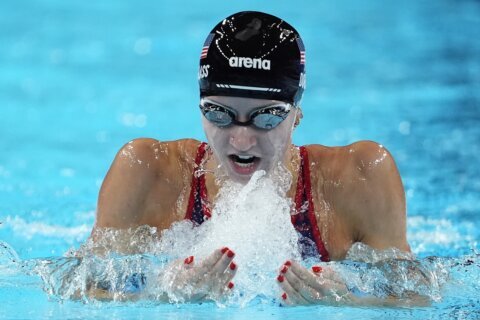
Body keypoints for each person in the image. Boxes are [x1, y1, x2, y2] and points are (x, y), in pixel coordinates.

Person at [91, 11, 413, 305]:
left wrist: (349, 303)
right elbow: (74, 284)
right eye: (219, 114)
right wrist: (160, 293)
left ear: (296, 113)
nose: (241, 140)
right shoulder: (146, 170)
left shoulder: (358, 177)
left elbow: (418, 297)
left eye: (266, 118)